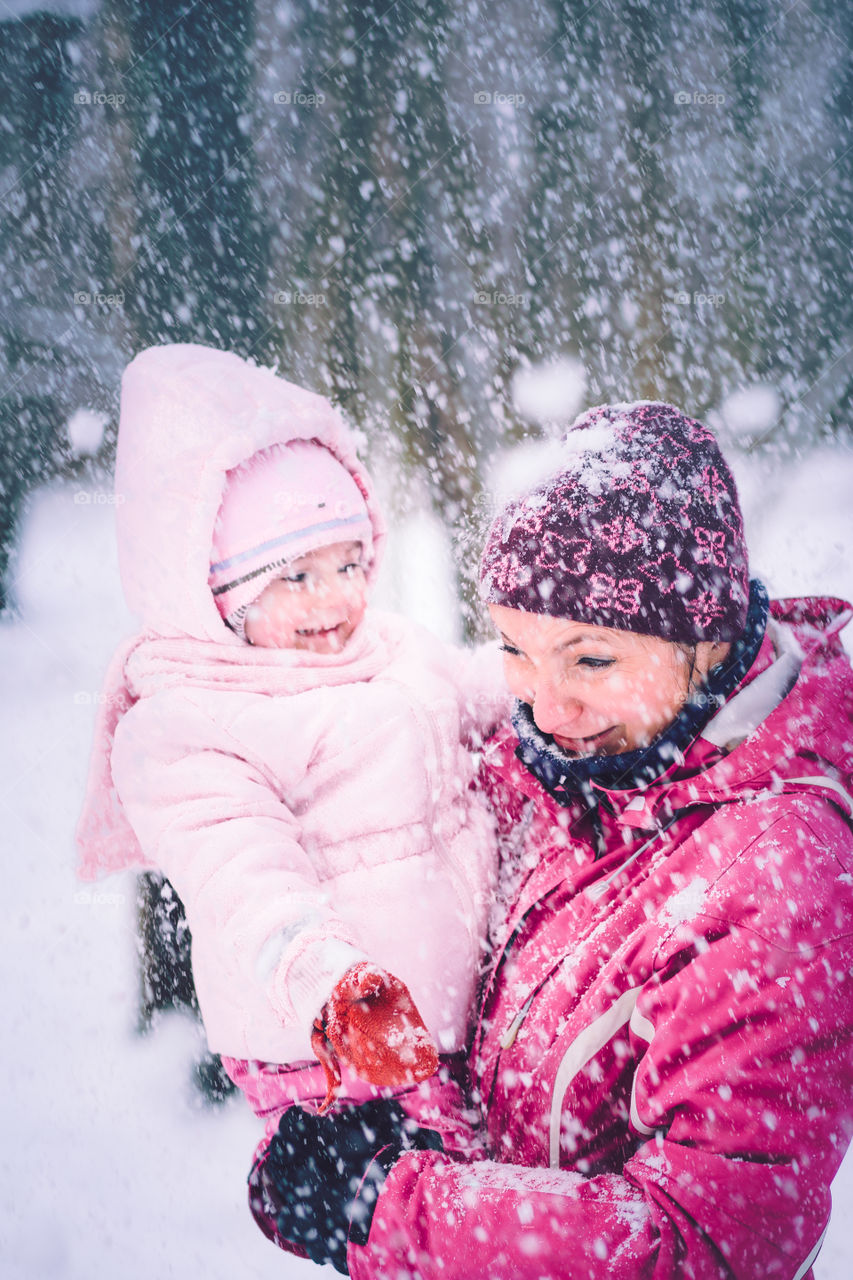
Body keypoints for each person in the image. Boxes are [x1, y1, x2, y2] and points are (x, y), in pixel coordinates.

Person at [256, 400, 853, 1279]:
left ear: (705, 632)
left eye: (591, 658)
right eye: (514, 649)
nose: (544, 705)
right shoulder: (574, 760)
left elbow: (709, 1246)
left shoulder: (775, 872)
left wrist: (390, 1206)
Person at [75, 343, 504, 1241]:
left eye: (349, 563)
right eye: (295, 577)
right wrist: (332, 986)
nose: (334, 599)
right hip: (333, 1053)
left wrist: (558, 689)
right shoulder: (187, 724)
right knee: (428, 1234)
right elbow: (246, 882)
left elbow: (478, 700)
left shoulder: (388, 648)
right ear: (220, 596)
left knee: (486, 1226)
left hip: (454, 1027)